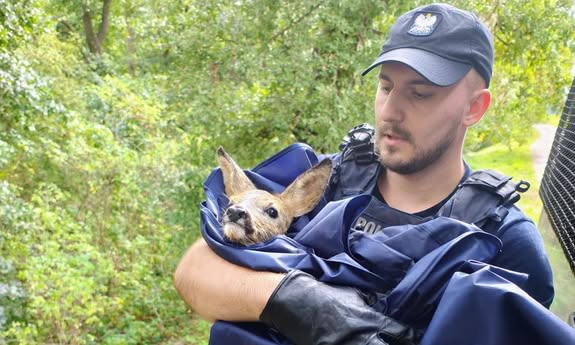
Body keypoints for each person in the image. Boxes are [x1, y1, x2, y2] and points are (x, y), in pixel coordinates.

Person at [174, 3, 555, 344]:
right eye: (385, 86)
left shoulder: (503, 241)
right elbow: (194, 272)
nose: (391, 110)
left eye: (419, 93)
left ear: (474, 108)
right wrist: (308, 306)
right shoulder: (323, 181)